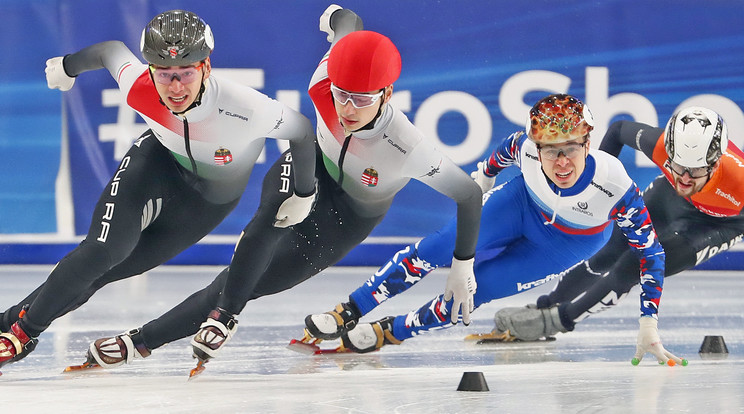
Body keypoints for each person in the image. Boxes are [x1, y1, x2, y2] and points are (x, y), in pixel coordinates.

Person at [71, 5, 482, 372]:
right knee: (272, 217)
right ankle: (225, 316)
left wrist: (462, 264)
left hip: (350, 217)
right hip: (313, 169)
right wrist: (337, 15)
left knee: (243, 282)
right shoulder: (325, 84)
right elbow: (348, 29)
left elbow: (468, 194)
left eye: (361, 99)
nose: (347, 110)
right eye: (342, 95)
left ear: (386, 94)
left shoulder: (406, 146)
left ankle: (138, 341)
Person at [0, 9, 319, 368]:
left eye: (185, 73)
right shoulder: (140, 86)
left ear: (206, 68)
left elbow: (303, 131)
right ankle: (21, 335)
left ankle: (6, 323)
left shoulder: (244, 107)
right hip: (156, 164)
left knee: (101, 276)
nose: (176, 87)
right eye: (165, 75)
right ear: (151, 71)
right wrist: (68, 65)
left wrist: (304, 193)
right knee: (103, 251)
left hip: (206, 203)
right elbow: (110, 51)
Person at [301, 93, 682, 366]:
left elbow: (651, 253)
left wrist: (649, 322)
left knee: (474, 291)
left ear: (588, 143)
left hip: (569, 242)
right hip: (520, 205)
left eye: (570, 148)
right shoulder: (525, 148)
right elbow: (499, 155)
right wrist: (479, 187)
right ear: (537, 147)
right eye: (550, 150)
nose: (561, 161)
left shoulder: (614, 185)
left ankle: (393, 331)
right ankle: (348, 310)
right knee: (439, 247)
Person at [487, 106, 743, 365]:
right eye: (678, 165)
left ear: (715, 162)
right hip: (672, 198)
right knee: (610, 248)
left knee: (635, 266)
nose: (686, 178)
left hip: (720, 224)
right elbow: (619, 129)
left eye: (696, 170)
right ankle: (548, 304)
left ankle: (555, 322)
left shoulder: (739, 181)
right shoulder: (662, 149)